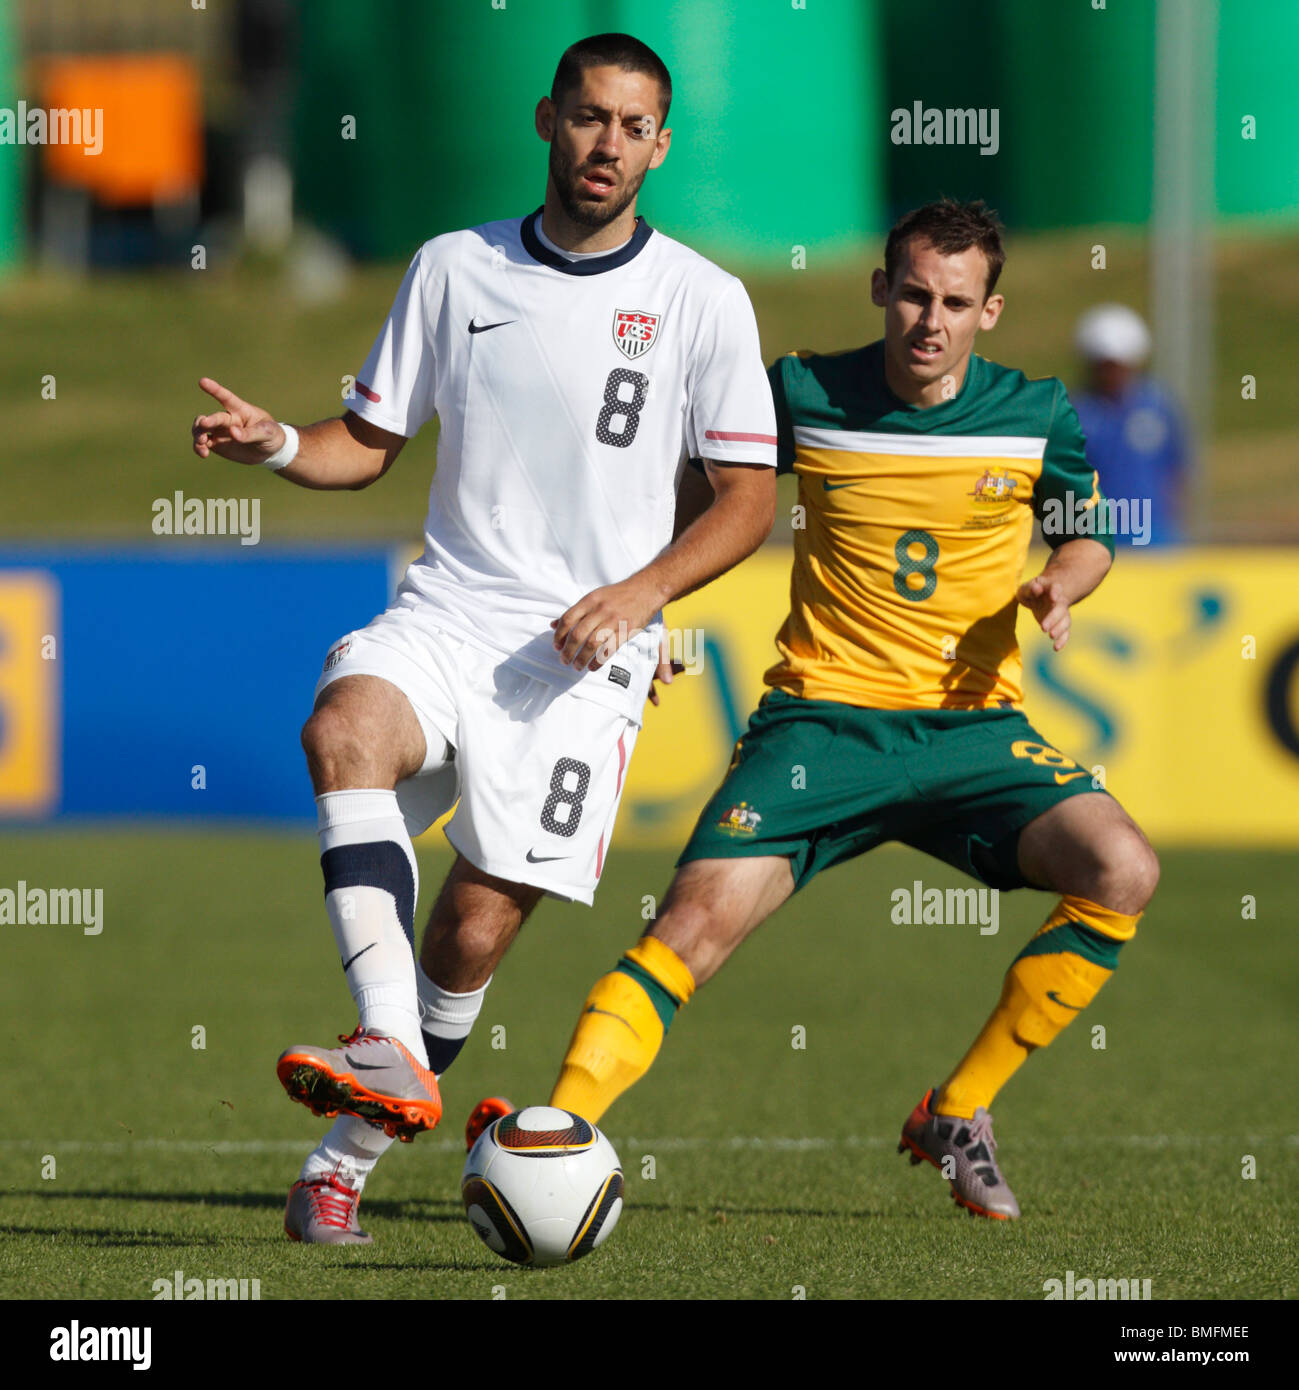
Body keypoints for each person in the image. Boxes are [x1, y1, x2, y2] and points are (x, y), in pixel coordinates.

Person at [189, 32, 778, 1244]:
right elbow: (370, 442)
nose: (606, 143)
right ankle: (391, 1046)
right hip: (453, 608)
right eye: (586, 116)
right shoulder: (453, 268)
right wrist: (282, 448)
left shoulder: (705, 301)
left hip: (588, 658)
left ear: (661, 145)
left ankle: (341, 1158)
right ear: (545, 119)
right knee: (343, 729)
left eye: (632, 126)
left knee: (467, 930)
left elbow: (749, 502)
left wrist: (641, 594)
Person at [543, 199, 1160, 1220]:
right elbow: (704, 500)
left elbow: (1085, 535)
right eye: (914, 293)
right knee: (691, 922)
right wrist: (644, 609)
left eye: (956, 302)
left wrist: (1063, 581)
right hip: (819, 726)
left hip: (974, 733)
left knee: (1124, 867)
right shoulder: (802, 391)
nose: (931, 319)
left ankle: (958, 1110)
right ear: (880, 287)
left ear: (990, 311)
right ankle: (555, 1131)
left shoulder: (1037, 410)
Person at [1072, 303, 1189, 545]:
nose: (1112, 374)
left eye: (1119, 365)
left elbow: (1176, 469)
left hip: (1155, 537)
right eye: (1104, 366)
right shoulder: (1075, 412)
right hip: (1093, 538)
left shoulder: (1158, 407)